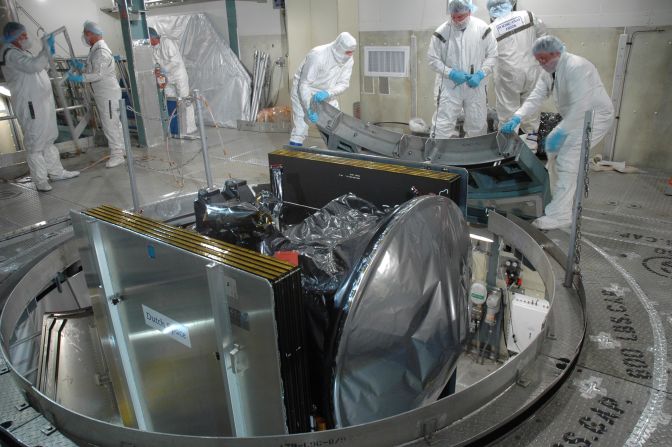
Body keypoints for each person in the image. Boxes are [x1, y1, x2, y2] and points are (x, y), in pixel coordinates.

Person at [500, 36, 614, 230]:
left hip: (594, 117)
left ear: (557, 52)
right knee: (553, 155)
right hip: (573, 119)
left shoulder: (577, 67)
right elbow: (535, 97)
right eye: (538, 60)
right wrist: (517, 117)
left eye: (544, 59)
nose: (541, 63)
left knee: (568, 159)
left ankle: (560, 215)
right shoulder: (549, 72)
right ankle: (556, 198)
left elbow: (582, 105)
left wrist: (563, 133)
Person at [0, 22, 79, 191]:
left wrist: (47, 55)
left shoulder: (22, 51)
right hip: (30, 104)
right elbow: (34, 66)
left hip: (42, 102)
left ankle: (56, 172)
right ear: (13, 37)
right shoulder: (10, 53)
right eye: (22, 36)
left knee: (49, 138)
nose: (26, 38)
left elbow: (39, 65)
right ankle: (40, 179)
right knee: (35, 142)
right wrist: (46, 50)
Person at [427, 0, 497, 139]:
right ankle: (435, 158)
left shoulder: (482, 29)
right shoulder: (442, 32)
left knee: (477, 124)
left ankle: (475, 158)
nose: (456, 20)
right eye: (453, 17)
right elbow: (432, 59)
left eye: (461, 17)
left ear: (469, 12)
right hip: (449, 86)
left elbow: (493, 55)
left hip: (475, 86)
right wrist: (450, 73)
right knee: (442, 125)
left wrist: (481, 73)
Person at [486, 0, 546, 142]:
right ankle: (531, 150)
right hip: (532, 72)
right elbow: (543, 38)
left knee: (508, 115)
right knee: (531, 113)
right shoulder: (528, 16)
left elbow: (487, 56)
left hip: (508, 77)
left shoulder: (491, 29)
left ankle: (508, 152)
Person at [67, 21, 125, 168]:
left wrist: (81, 78)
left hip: (108, 94)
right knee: (114, 124)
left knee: (110, 124)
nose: (85, 37)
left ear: (91, 34)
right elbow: (95, 67)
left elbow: (98, 74)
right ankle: (122, 150)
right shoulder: (95, 50)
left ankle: (117, 155)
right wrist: (82, 66)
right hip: (103, 93)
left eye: (86, 34)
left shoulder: (101, 51)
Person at [289, 32, 357, 146]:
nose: (350, 55)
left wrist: (328, 93)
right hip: (305, 91)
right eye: (347, 52)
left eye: (351, 52)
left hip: (326, 93)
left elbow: (344, 83)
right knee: (301, 126)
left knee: (335, 124)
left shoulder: (349, 59)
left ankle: (338, 155)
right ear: (339, 47)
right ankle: (294, 155)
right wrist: (309, 109)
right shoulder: (318, 55)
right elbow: (304, 84)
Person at [148, 27, 197, 135]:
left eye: (148, 39)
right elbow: (154, 65)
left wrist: (163, 70)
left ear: (152, 37)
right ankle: (175, 127)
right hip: (166, 78)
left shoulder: (167, 43)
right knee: (170, 101)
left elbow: (175, 62)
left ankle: (189, 127)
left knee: (184, 100)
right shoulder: (152, 48)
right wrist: (155, 72)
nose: (148, 42)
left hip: (178, 75)